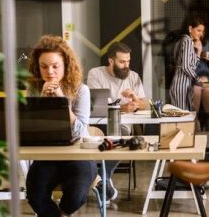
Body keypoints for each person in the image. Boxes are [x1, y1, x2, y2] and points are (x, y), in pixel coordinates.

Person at [25, 35, 96, 217]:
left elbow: (80, 129)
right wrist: (41, 101)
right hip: (47, 154)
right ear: (37, 67)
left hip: (78, 152)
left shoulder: (81, 90)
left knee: (77, 195)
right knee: (35, 195)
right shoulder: (33, 90)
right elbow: (30, 129)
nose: (50, 72)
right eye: (44, 66)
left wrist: (62, 102)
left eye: (55, 66)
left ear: (66, 65)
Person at [86, 41, 148, 202]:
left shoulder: (133, 76)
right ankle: (101, 180)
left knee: (121, 138)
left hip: (121, 127)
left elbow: (146, 104)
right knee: (83, 138)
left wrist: (135, 100)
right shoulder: (96, 74)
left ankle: (100, 179)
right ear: (111, 60)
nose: (126, 65)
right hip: (97, 123)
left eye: (128, 61)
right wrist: (122, 108)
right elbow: (95, 107)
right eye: (122, 62)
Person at [169, 17, 205, 111]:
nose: (201, 34)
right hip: (182, 84)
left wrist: (198, 52)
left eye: (202, 31)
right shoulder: (188, 41)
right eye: (198, 30)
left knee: (181, 116)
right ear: (190, 29)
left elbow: (191, 66)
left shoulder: (182, 41)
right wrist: (198, 79)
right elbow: (186, 67)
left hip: (181, 83)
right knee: (182, 117)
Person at [193, 39, 209, 131]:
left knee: (208, 89)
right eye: (199, 30)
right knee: (196, 90)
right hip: (191, 79)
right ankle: (194, 128)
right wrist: (198, 53)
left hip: (206, 79)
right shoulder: (185, 43)